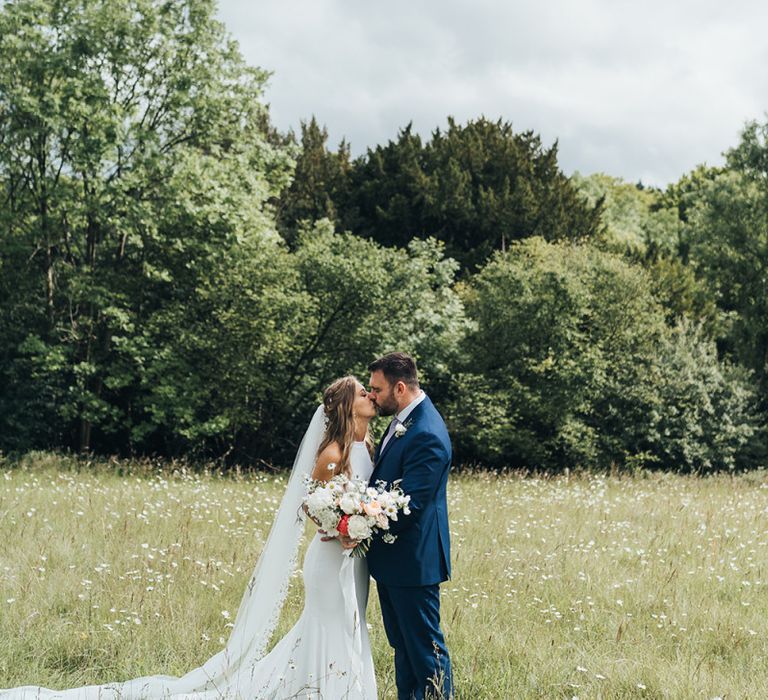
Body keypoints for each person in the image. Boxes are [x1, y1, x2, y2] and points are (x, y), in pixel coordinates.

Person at [0, 376, 379, 700]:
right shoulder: (332, 452)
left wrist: (362, 520)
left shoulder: (366, 448)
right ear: (347, 404)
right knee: (328, 623)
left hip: (355, 557)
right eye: (363, 392)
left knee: (350, 622)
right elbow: (310, 505)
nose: (370, 396)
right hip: (331, 556)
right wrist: (338, 528)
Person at [362, 352, 454, 700]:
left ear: (399, 388)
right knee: (404, 649)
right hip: (394, 561)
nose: (371, 396)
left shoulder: (426, 432)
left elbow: (412, 506)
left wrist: (359, 520)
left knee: (427, 653)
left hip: (414, 562)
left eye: (376, 389)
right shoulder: (404, 420)